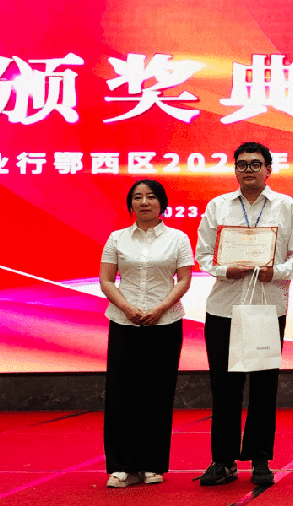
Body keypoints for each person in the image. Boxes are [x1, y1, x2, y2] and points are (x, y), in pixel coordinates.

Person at [194, 141, 293, 487]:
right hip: (223, 308)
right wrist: (225, 269)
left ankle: (260, 459)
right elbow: (203, 255)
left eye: (255, 164)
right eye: (242, 164)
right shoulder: (218, 206)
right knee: (224, 388)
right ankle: (223, 460)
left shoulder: (286, 206)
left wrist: (277, 272)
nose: (248, 170)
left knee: (263, 388)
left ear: (268, 170)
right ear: (235, 170)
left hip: (266, 307)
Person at [100, 179, 194, 488]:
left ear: (162, 204)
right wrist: (127, 308)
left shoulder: (178, 238)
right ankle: (121, 466)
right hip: (124, 322)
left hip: (165, 323)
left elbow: (183, 280)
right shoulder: (117, 238)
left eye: (151, 197)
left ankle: (153, 463)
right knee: (121, 393)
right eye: (137, 197)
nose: (144, 202)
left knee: (158, 393)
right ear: (130, 204)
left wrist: (161, 308)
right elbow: (107, 280)